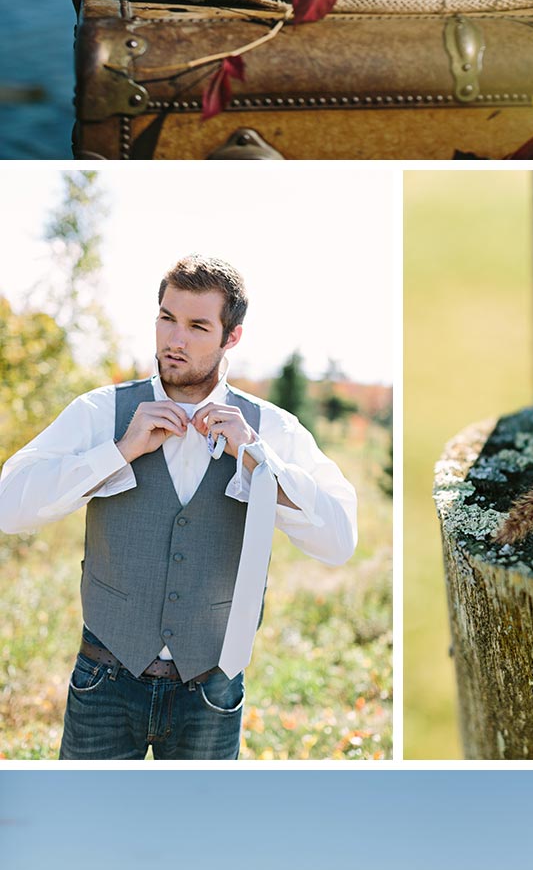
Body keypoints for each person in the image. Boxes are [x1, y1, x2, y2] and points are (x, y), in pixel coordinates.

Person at [0, 252, 357, 761]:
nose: (175, 339)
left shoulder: (272, 429)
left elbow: (340, 541)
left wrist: (260, 462)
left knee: (201, 837)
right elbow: (8, 505)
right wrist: (118, 452)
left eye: (196, 326)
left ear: (231, 337)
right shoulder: (102, 412)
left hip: (211, 691)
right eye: (167, 318)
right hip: (104, 679)